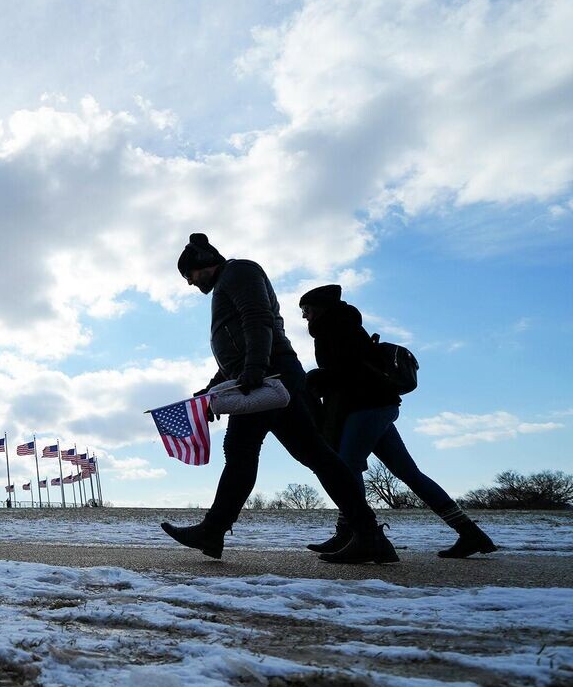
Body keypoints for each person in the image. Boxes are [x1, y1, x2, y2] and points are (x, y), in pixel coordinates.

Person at [161, 234, 397, 564]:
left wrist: (255, 368)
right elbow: (236, 351)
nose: (190, 283)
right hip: (269, 375)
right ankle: (369, 535)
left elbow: (256, 318)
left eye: (189, 275)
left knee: (243, 450)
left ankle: (212, 531)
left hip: (268, 378)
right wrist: (212, 390)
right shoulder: (230, 281)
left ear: (203, 262)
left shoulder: (239, 272)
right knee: (316, 455)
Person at [299, 284, 496, 559]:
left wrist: (318, 377)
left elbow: (349, 370)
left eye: (306, 310)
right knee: (408, 473)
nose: (305, 317)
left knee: (346, 467)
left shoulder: (336, 327)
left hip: (366, 406)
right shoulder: (342, 325)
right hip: (374, 406)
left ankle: (358, 536)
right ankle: (469, 532)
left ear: (320, 307)